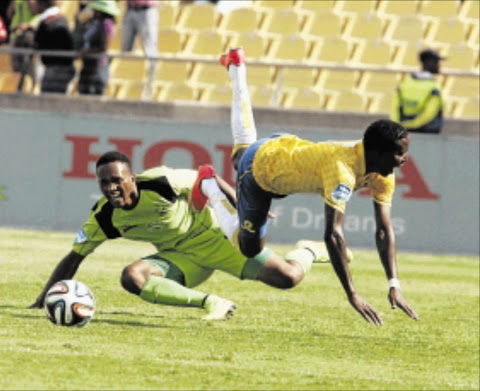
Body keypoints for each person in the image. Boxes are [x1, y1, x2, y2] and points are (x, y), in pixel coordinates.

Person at [200, 48, 419, 326]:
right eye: (400, 153)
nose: (404, 160)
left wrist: (394, 283)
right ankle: (210, 185)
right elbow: (333, 236)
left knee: (240, 150)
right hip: (261, 172)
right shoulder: (342, 171)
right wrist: (352, 293)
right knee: (249, 249)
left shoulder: (382, 171)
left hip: (285, 146)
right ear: (379, 152)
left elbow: (384, 229)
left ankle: (237, 67)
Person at [29, 152, 334, 320]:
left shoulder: (161, 182)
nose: (110, 188)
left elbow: (207, 178)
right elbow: (74, 257)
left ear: (132, 179)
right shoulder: (104, 216)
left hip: (218, 241)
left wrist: (243, 208)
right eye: (103, 183)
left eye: (116, 181)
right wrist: (44, 299)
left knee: (289, 278)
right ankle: (211, 303)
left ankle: (308, 249)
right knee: (132, 277)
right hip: (180, 260)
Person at [391, 48, 445, 134]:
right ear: (429, 63)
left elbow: (395, 108)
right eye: (437, 62)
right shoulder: (435, 87)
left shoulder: (404, 84)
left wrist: (399, 126)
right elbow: (430, 113)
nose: (439, 65)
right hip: (428, 133)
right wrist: (415, 125)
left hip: (403, 132)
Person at [33, 0, 75, 94]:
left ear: (42, 4)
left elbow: (36, 44)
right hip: (66, 68)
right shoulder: (63, 18)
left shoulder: (45, 22)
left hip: (54, 69)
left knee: (47, 100)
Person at [77, 0, 118, 96]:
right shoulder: (95, 23)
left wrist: (86, 52)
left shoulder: (107, 23)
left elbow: (104, 47)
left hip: (97, 67)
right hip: (88, 66)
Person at [121, 0, 158, 97]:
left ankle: (150, 86)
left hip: (146, 10)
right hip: (130, 9)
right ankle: (124, 89)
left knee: (149, 51)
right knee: (125, 52)